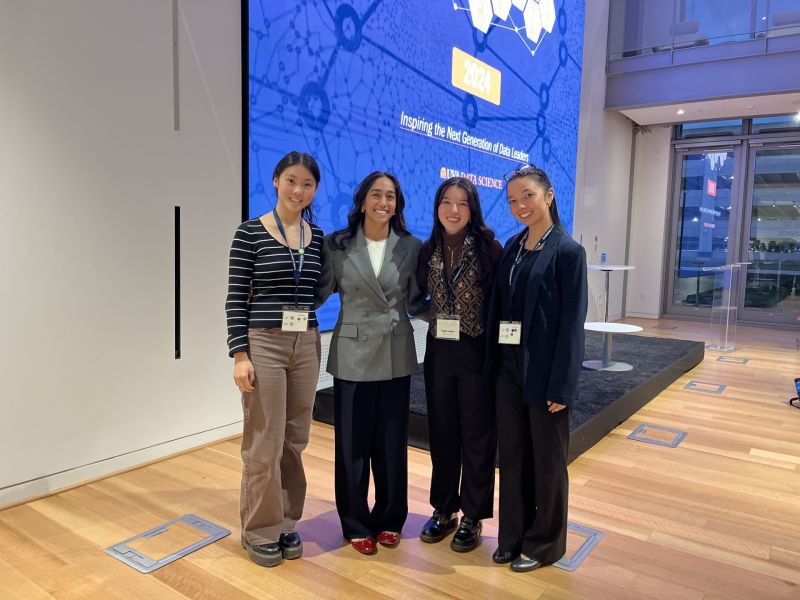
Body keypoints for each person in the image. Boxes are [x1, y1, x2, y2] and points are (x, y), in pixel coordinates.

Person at [316, 171, 427, 555]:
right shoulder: (337, 244)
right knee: (352, 446)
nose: (384, 202)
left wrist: (458, 317)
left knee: (392, 444)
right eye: (376, 195)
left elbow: (416, 302)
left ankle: (391, 518)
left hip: (395, 354)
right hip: (352, 356)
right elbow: (318, 292)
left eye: (391, 196)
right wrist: (272, 296)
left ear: (398, 205)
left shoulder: (412, 246)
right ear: (362, 200)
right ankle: (354, 522)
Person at [225, 151, 324, 568]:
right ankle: (258, 530)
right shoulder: (250, 232)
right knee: (264, 440)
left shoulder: (316, 237)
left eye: (306, 184)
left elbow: (319, 289)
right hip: (263, 343)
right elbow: (235, 297)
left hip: (307, 342)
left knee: (294, 439)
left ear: (314, 189)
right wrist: (239, 354)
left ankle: (286, 522)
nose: (298, 190)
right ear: (276, 181)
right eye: (291, 181)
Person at [486, 164, 587, 572]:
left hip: (544, 374)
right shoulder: (512, 247)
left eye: (527, 195)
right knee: (511, 457)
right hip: (509, 370)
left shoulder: (568, 252)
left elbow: (571, 325)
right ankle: (512, 536)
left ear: (548, 196)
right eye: (512, 199)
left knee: (547, 462)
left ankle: (544, 543)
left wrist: (562, 387)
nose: (520, 205)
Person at [415, 177, 502, 552]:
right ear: (437, 207)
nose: (453, 210)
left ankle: (473, 515)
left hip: (476, 353)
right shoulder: (428, 248)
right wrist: (431, 316)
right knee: (443, 433)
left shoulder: (489, 248)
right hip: (439, 353)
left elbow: (500, 303)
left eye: (462, 204)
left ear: (473, 209)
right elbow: (416, 295)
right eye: (447, 202)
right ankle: (444, 508)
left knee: (477, 437)